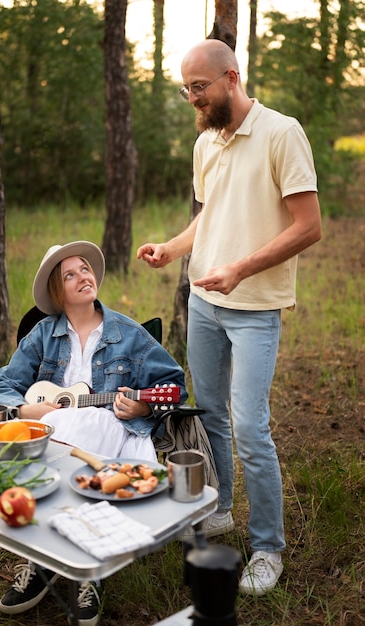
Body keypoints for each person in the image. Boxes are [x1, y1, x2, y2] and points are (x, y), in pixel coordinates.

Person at [137, 39, 322, 596]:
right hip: (203, 303)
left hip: (254, 309)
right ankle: (218, 509)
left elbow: (308, 226)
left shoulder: (281, 132)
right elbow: (208, 216)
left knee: (249, 426)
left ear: (231, 78)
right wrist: (173, 248)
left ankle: (268, 547)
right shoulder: (205, 143)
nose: (192, 98)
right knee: (210, 413)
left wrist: (240, 267)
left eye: (200, 87)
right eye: (185, 89)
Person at [0, 240, 187, 625]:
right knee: (46, 429)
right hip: (54, 429)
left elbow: (174, 385)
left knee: (78, 428)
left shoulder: (127, 334)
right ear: (58, 293)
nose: (83, 277)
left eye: (85, 269)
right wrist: (27, 408)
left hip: (108, 429)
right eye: (70, 274)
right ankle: (44, 560)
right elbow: (1, 387)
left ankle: (85, 566)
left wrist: (144, 406)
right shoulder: (44, 334)